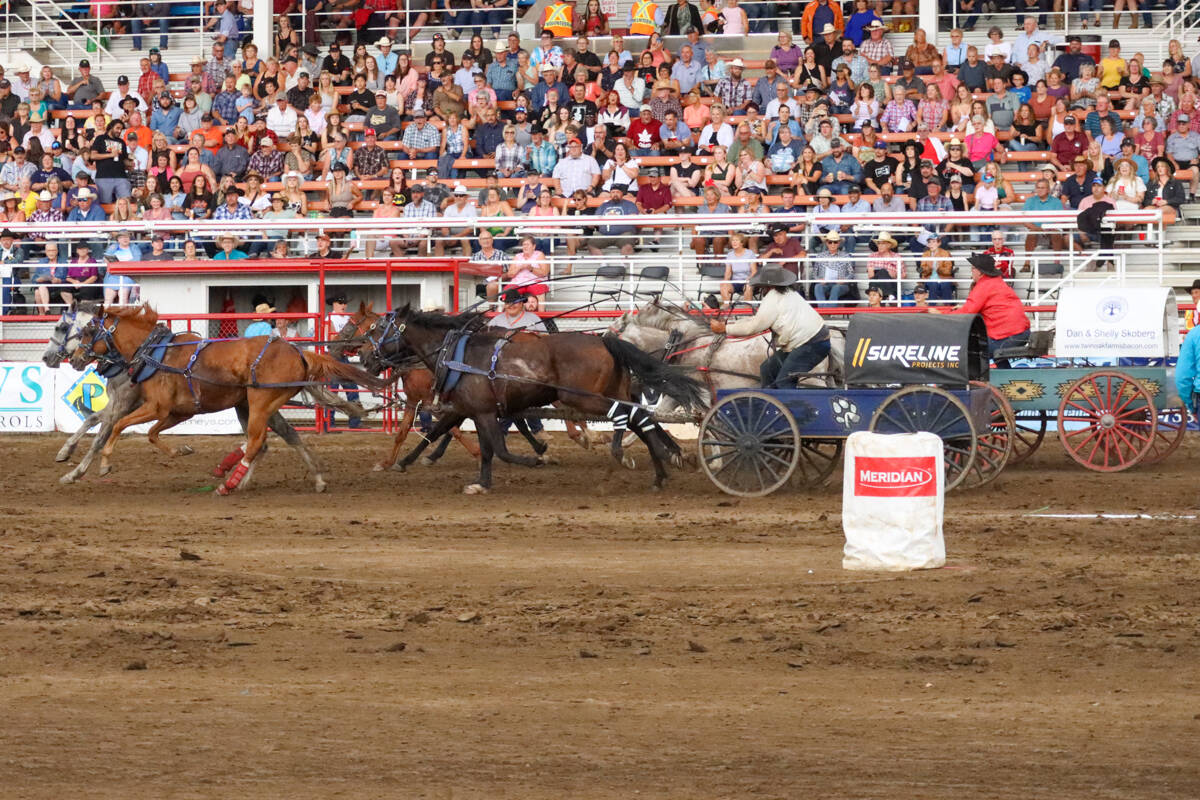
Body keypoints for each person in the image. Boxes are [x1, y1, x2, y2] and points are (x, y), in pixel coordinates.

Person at [708, 266, 830, 389]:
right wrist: (729, 325)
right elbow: (758, 320)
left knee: (784, 381)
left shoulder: (773, 298)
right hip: (812, 341)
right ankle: (773, 400)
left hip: (810, 343)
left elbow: (753, 327)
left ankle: (788, 405)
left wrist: (725, 329)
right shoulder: (787, 293)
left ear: (767, 285)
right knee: (767, 369)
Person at [932, 253, 1030, 367]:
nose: (971, 271)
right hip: (1018, 333)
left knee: (969, 349)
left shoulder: (984, 285)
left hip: (1008, 336)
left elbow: (967, 313)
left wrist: (941, 314)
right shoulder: (996, 282)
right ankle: (1004, 378)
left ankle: (970, 381)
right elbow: (987, 307)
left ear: (980, 271)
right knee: (990, 350)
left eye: (973, 268)